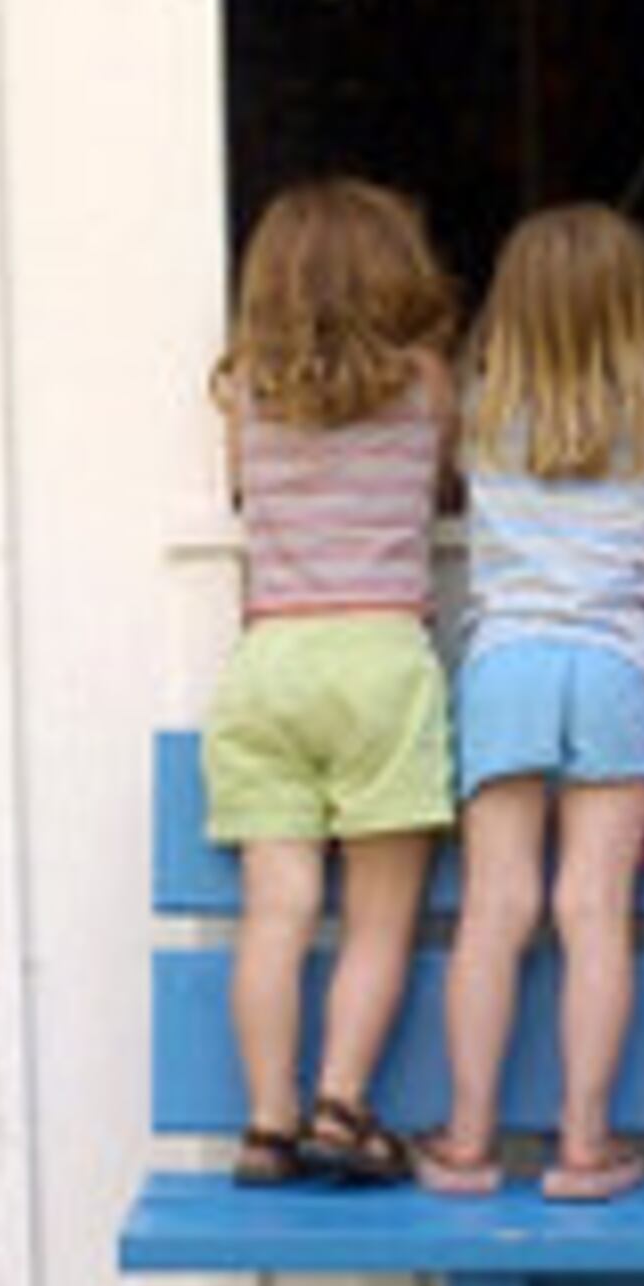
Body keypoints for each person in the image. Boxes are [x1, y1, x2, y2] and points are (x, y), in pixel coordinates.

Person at [199, 176, 460, 1189]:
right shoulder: (425, 384)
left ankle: (267, 1122)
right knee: (380, 918)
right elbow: (443, 486)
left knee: (279, 912)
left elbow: (237, 489)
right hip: (382, 660)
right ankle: (343, 1104)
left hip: (270, 664)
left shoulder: (246, 394)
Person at [420, 201, 644, 1203]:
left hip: (507, 665)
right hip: (617, 667)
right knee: (593, 908)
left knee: (495, 909)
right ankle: (583, 1146)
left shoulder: (479, 410)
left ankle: (467, 1141)